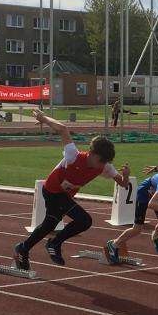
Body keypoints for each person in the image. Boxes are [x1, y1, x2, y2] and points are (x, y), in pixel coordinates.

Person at [14, 110, 129, 270]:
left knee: (49, 224)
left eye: (106, 162)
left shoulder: (105, 167)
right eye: (101, 161)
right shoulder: (73, 156)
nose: (103, 165)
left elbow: (123, 184)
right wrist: (43, 118)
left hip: (64, 195)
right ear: (91, 154)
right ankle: (54, 243)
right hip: (52, 191)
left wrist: (126, 176)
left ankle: (23, 248)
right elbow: (63, 129)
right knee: (85, 220)